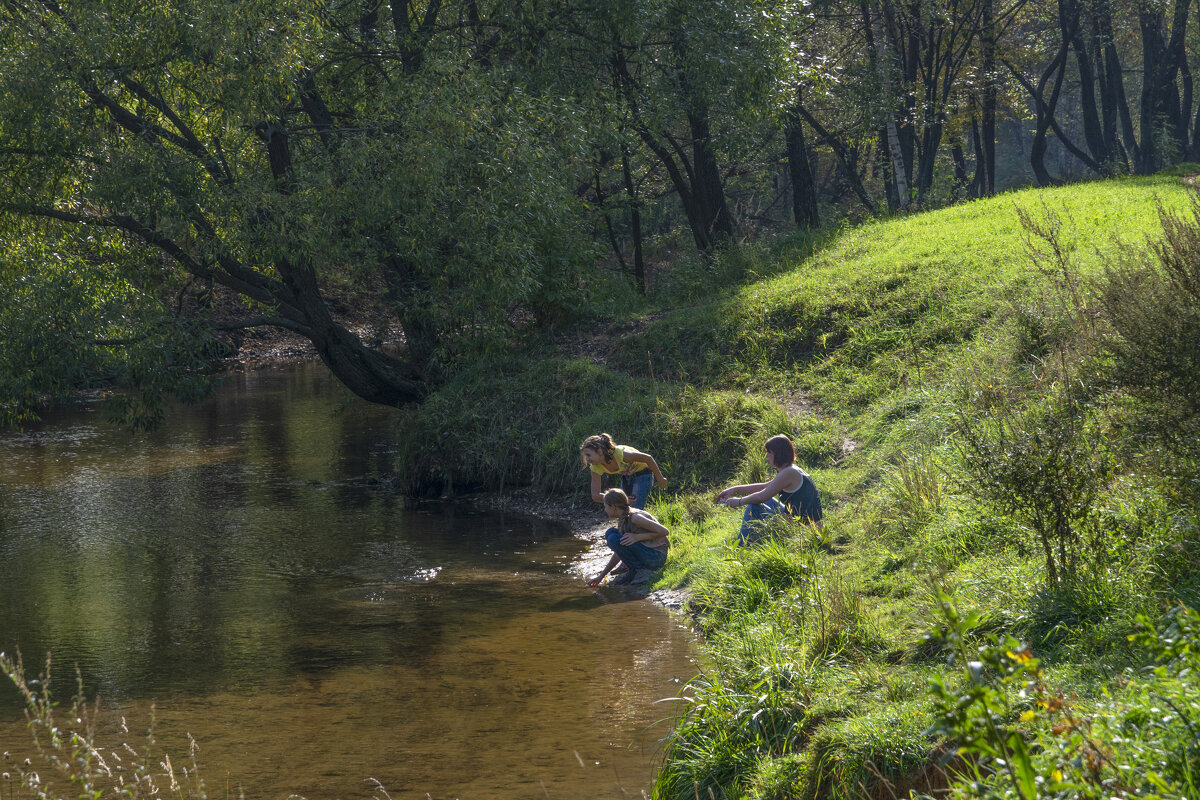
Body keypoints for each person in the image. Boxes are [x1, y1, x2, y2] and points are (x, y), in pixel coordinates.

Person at [715, 434, 823, 546]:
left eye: (769, 452)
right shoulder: (791, 470)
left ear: (778, 454)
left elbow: (762, 496)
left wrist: (739, 501)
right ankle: (750, 542)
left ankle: (740, 547)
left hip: (804, 529)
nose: (766, 456)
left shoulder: (788, 472)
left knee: (753, 507)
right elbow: (765, 487)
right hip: (801, 522)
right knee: (765, 501)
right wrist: (734, 489)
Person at [587, 489, 670, 587]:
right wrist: (600, 576)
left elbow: (664, 531)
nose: (604, 510)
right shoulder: (623, 518)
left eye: (605, 506)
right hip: (648, 553)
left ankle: (641, 571)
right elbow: (620, 551)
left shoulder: (635, 517)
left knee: (613, 538)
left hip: (656, 557)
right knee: (611, 533)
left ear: (613, 507)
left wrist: (637, 537)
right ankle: (633, 571)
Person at [579, 433, 667, 510]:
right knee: (623, 509)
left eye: (588, 455)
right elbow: (595, 495)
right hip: (627, 477)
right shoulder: (595, 467)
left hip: (643, 474)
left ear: (600, 451)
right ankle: (629, 528)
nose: (587, 459)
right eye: (585, 456)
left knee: (634, 510)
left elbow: (648, 458)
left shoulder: (622, 454)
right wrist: (620, 499)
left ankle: (646, 527)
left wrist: (660, 479)